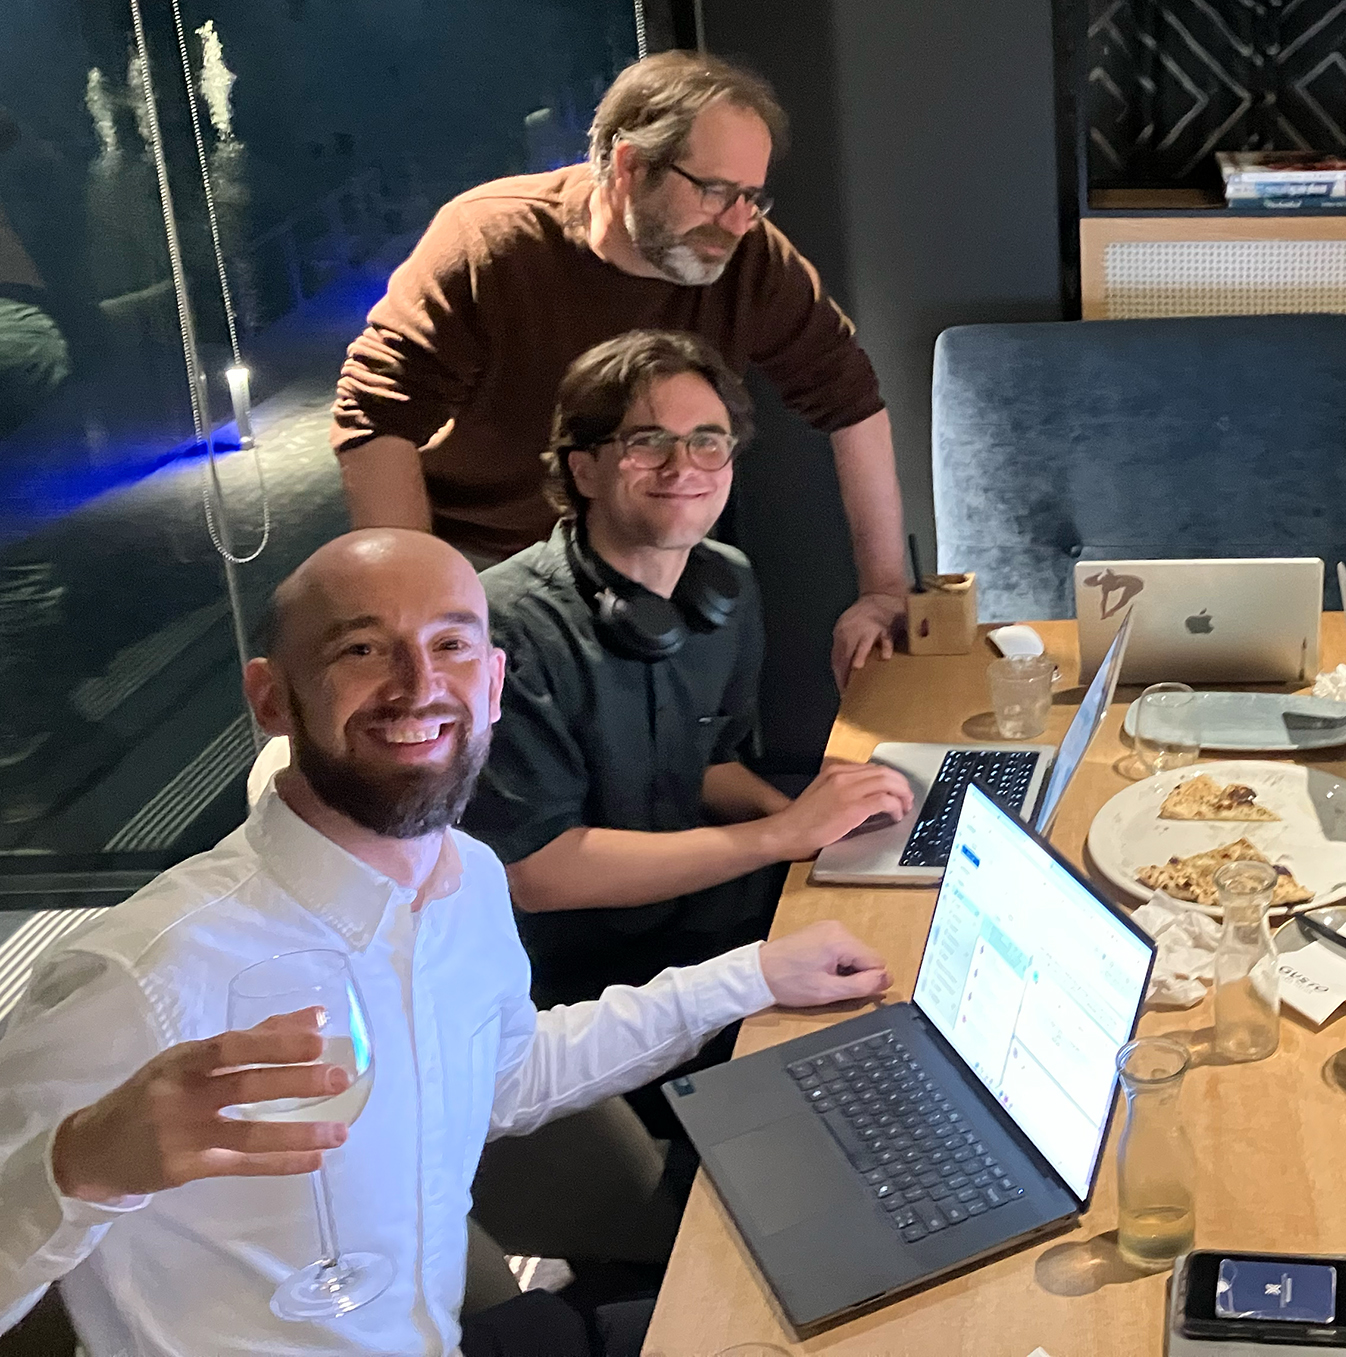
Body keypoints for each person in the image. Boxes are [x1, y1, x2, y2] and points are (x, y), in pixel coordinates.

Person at [0, 529, 894, 1354]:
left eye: (451, 644)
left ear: (494, 683)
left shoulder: (466, 879)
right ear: (272, 697)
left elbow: (509, 1078)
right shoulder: (143, 971)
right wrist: (78, 1165)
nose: (418, 683)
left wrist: (749, 976)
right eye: (360, 648)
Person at [332, 51, 908, 686]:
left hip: (637, 564)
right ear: (631, 165)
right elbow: (373, 414)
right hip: (483, 562)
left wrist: (884, 589)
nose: (737, 224)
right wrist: (424, 616)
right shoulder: (491, 242)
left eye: (752, 198)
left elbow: (853, 402)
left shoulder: (753, 260)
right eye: (716, 192)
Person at [462, 329, 911, 1018]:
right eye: (647, 442)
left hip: (708, 922)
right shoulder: (504, 627)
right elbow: (540, 873)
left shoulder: (724, 584)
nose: (684, 465)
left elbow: (706, 763)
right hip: (581, 986)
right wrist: (777, 837)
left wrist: (811, 823)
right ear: (583, 469)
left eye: (708, 439)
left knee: (910, 955)